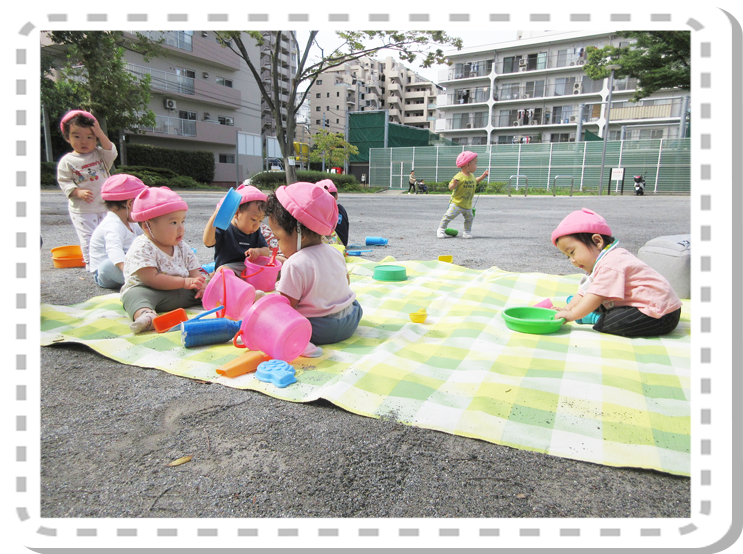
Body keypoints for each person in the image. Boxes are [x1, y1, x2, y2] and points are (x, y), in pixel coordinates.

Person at [265, 182, 363, 357]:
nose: (278, 246)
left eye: (278, 239)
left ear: (298, 232)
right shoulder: (335, 252)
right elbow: (345, 282)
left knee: (276, 317)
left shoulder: (294, 264)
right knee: (353, 302)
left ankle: (302, 343)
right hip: (351, 319)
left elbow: (287, 308)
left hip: (321, 329)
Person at [551, 208, 682, 337]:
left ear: (597, 241)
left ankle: (594, 317)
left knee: (617, 320)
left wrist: (573, 314)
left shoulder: (611, 262)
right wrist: (568, 308)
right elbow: (585, 291)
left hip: (660, 313)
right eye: (568, 256)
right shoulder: (600, 263)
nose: (572, 260)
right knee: (590, 301)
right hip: (640, 306)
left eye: (572, 252)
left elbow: (595, 295)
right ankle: (587, 310)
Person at [120, 187, 206, 334]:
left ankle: (230, 299)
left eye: (182, 222)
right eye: (173, 223)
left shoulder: (181, 246)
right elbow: (150, 279)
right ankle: (146, 315)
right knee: (133, 296)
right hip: (152, 292)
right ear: (148, 226)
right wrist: (184, 282)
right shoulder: (142, 246)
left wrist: (200, 286)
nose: (181, 228)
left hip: (181, 292)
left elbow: (194, 272)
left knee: (207, 286)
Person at [56, 110, 118, 269]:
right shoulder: (67, 161)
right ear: (67, 137)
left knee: (108, 235)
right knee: (89, 237)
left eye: (89, 137)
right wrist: (77, 192)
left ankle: (109, 263)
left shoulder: (100, 155)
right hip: (83, 209)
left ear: (96, 138)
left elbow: (111, 149)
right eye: (77, 136)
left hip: (104, 206)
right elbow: (64, 181)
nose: (83, 141)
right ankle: (93, 266)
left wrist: (100, 132)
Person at [88, 174, 148, 289]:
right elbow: (114, 250)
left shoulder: (131, 222)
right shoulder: (113, 224)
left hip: (129, 265)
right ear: (130, 204)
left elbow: (146, 240)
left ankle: (145, 279)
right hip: (107, 273)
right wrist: (129, 271)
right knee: (107, 266)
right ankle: (143, 280)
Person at [202, 184, 272, 276]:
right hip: (229, 268)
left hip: (249, 269)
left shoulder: (256, 231)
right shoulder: (224, 228)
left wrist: (258, 251)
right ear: (237, 213)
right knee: (223, 271)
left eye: (260, 220)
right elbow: (208, 242)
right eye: (254, 219)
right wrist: (215, 216)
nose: (256, 225)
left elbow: (266, 251)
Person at [437, 151, 489, 239]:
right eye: (475, 163)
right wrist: (454, 184)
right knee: (448, 216)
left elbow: (475, 181)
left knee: (469, 218)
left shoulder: (471, 176)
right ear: (468, 165)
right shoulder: (459, 176)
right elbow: (450, 187)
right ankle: (441, 229)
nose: (476, 166)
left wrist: (483, 176)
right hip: (457, 203)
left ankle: (467, 232)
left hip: (467, 204)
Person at [318, 179, 349, 247]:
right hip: (343, 243)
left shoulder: (321, 210)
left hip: (332, 243)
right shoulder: (341, 209)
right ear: (336, 195)